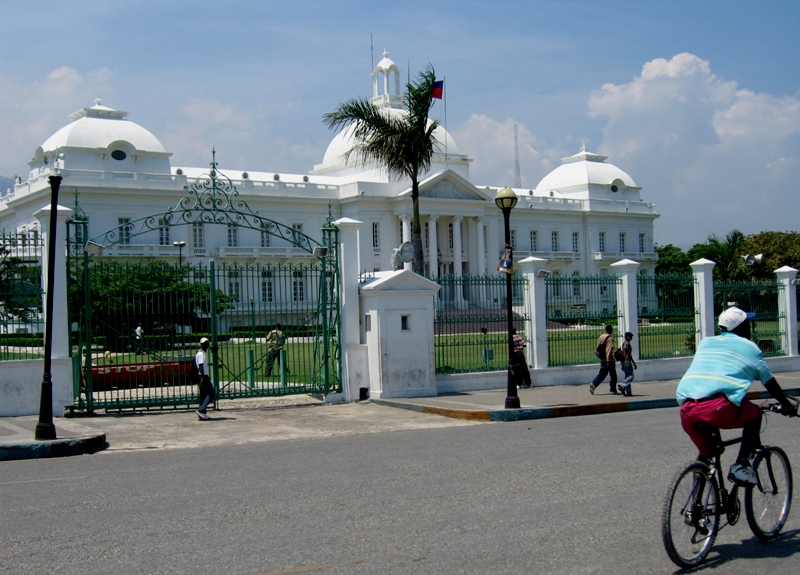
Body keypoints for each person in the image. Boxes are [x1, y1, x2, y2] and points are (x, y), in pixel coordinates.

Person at [676, 307, 797, 486]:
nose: (751, 327)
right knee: (755, 413)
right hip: (717, 408)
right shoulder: (750, 348)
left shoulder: (706, 342)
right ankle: (741, 465)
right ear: (740, 328)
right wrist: (786, 404)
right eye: (747, 324)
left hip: (687, 409)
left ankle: (694, 508)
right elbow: (769, 382)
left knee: (707, 454)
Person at [589, 324, 617, 395]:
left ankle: (594, 384)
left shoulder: (601, 336)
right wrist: (608, 360)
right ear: (610, 330)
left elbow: (598, 347)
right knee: (613, 375)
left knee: (602, 374)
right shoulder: (609, 338)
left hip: (602, 358)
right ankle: (613, 389)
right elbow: (608, 349)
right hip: (609, 360)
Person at [195, 337, 215, 420]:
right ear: (201, 344)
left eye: (207, 343)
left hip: (202, 376)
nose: (206, 345)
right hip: (203, 376)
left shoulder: (202, 353)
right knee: (211, 393)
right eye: (204, 343)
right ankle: (201, 409)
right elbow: (200, 366)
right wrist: (203, 377)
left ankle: (202, 413)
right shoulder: (201, 354)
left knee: (203, 395)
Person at [617, 331, 637, 396]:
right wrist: (634, 363)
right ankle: (622, 385)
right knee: (631, 376)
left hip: (622, 361)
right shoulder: (627, 344)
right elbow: (629, 354)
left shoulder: (623, 344)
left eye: (631, 337)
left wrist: (622, 365)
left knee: (627, 376)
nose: (630, 338)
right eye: (629, 337)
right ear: (626, 337)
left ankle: (628, 392)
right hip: (627, 360)